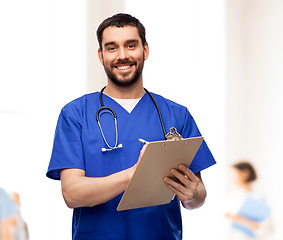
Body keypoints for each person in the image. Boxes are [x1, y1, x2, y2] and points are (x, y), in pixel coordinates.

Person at [46, 13, 216, 240]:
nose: (122, 56)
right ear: (101, 55)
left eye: (131, 45)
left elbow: (198, 196)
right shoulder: (75, 114)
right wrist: (134, 175)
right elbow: (72, 193)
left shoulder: (176, 115)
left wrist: (191, 195)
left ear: (145, 50)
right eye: (112, 48)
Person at [225, 161, 274, 240]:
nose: (229, 179)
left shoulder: (258, 198)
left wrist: (239, 219)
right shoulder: (229, 196)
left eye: (232, 175)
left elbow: (268, 229)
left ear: (245, 173)